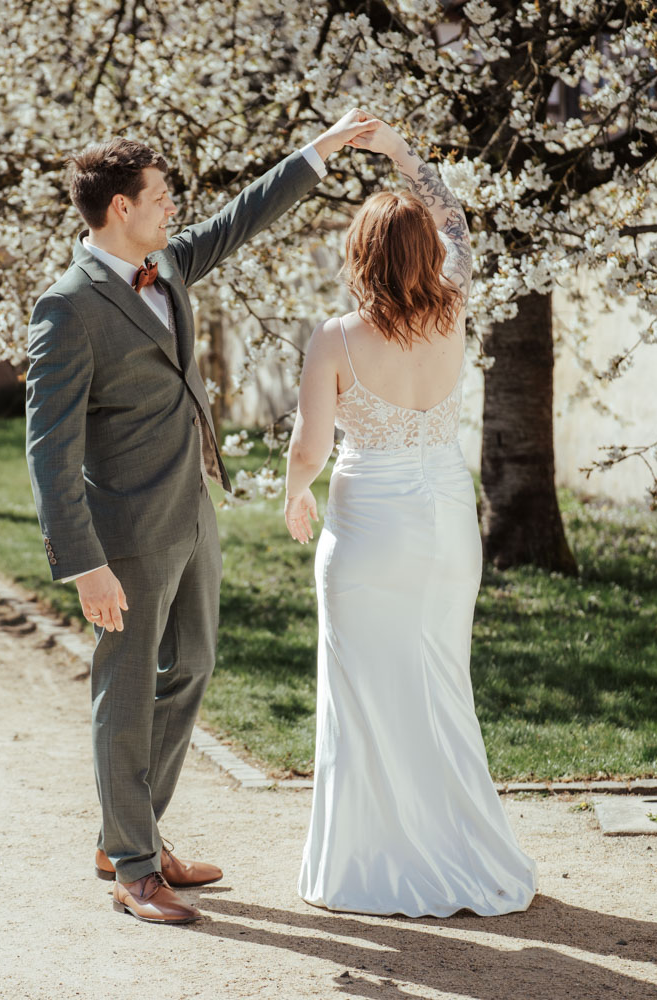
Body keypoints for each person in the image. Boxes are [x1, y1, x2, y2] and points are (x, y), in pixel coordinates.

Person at [24, 110, 379, 925]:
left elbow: (241, 217)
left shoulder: (168, 267)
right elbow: (48, 452)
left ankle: (132, 833)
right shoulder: (66, 309)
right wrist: (85, 564)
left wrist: (316, 153)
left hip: (192, 511)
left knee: (192, 667)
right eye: (159, 196)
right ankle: (136, 868)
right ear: (120, 207)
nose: (172, 207)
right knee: (124, 690)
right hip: (123, 537)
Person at [282, 116, 539, 918]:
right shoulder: (455, 306)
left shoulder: (335, 339)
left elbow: (308, 447)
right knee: (438, 689)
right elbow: (457, 218)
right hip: (448, 528)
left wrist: (296, 493)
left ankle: (371, 865)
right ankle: (464, 849)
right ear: (428, 254)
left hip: (369, 536)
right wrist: (400, 153)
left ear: (358, 258)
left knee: (365, 699)